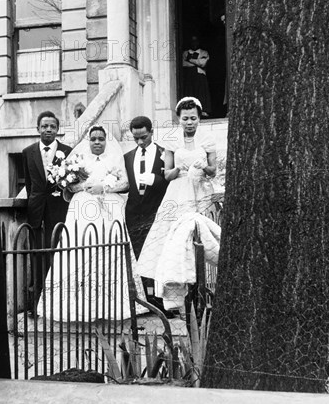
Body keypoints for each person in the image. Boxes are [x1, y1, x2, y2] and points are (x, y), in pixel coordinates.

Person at [38, 125, 146, 321]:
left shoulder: (113, 159)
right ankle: (78, 306)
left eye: (101, 139)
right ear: (89, 141)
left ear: (106, 141)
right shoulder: (79, 159)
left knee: (109, 251)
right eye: (94, 139)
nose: (97, 142)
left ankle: (110, 306)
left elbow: (126, 184)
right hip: (82, 209)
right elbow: (68, 184)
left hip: (108, 210)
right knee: (80, 249)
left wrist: (103, 186)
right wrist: (83, 186)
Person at [137, 97, 220, 311]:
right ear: (179, 119)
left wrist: (203, 167)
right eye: (185, 119)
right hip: (179, 191)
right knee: (176, 237)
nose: (189, 122)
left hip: (200, 188)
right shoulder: (172, 141)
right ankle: (180, 289)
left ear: (199, 118)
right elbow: (168, 174)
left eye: (193, 118)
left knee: (201, 235)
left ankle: (206, 289)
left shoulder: (208, 139)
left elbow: (214, 171)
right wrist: (180, 169)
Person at [21, 111, 72, 300]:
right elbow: (28, 184)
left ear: (57, 129)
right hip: (36, 210)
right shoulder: (28, 152)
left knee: (58, 251)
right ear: (38, 129)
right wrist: (34, 203)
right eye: (44, 126)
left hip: (59, 209)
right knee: (37, 253)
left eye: (52, 126)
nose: (48, 130)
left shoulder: (68, 151)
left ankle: (58, 298)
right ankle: (37, 300)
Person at [124, 116, 169, 305]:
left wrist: (155, 180)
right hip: (134, 215)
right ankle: (144, 300)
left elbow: (172, 179)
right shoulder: (127, 157)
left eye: (144, 137)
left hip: (157, 213)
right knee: (138, 257)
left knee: (158, 257)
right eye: (136, 138)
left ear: (152, 132)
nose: (140, 142)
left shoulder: (165, 153)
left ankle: (160, 300)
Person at [182, 36, 212, 117]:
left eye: (196, 41)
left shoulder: (204, 52)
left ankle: (203, 111)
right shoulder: (186, 53)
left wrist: (190, 60)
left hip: (200, 76)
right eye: (192, 41)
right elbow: (184, 64)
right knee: (190, 94)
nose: (194, 43)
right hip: (189, 76)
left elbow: (203, 63)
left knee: (201, 93)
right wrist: (197, 62)